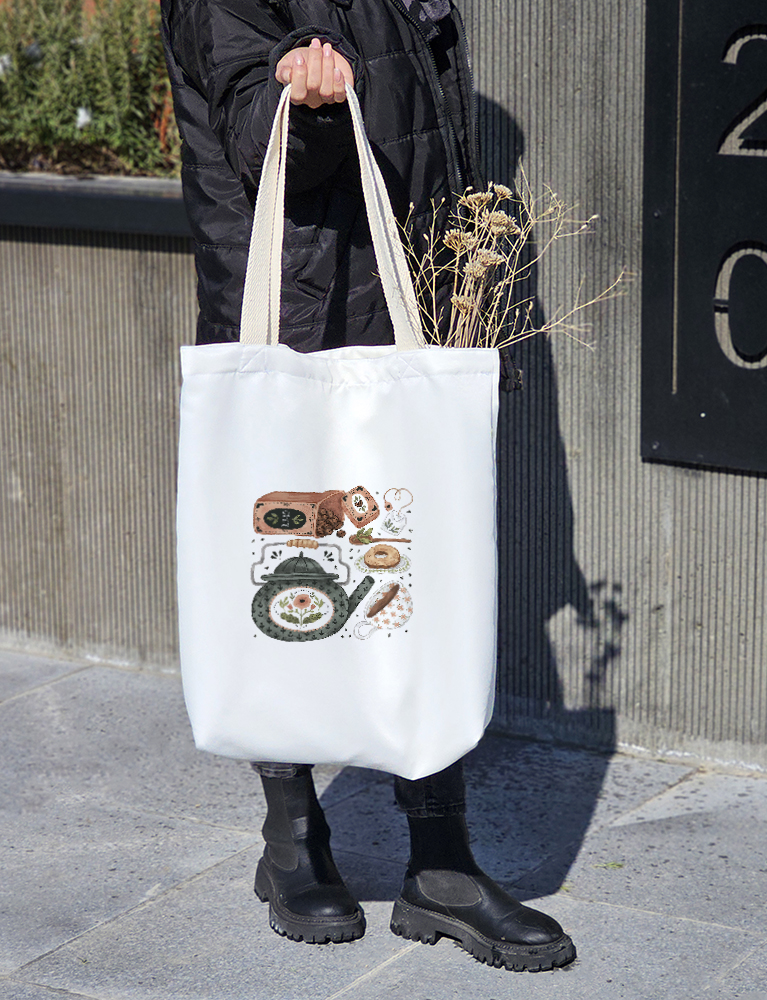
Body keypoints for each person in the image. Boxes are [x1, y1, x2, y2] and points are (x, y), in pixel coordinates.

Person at [159, 0, 574, 973]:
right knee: (291, 570)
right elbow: (254, 136)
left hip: (400, 301)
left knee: (413, 574)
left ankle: (442, 861)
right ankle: (293, 837)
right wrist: (300, 106)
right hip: (298, 303)